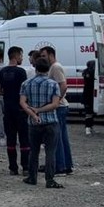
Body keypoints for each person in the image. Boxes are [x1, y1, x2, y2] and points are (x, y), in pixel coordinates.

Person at [21, 58, 64, 189]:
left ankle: (32, 177)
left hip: (33, 123)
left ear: (35, 68)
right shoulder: (53, 84)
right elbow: (55, 104)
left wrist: (33, 113)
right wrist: (40, 110)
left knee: (33, 151)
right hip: (50, 121)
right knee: (50, 151)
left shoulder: (26, 83)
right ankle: (49, 179)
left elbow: (22, 102)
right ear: (48, 69)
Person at [0, 46, 30, 176]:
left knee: (10, 139)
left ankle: (13, 167)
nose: (22, 58)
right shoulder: (21, 72)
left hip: (8, 110)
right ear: (16, 56)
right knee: (24, 139)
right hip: (21, 110)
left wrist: (7, 92)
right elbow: (25, 90)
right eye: (21, 56)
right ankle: (25, 167)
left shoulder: (2, 72)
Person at [39, 46, 72, 175]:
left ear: (51, 55)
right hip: (61, 106)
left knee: (55, 138)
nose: (42, 58)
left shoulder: (55, 67)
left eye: (43, 56)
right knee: (62, 137)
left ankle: (59, 166)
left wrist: (56, 101)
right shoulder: (54, 67)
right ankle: (66, 164)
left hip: (59, 107)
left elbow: (63, 85)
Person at [82, 59, 97, 136]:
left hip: (88, 94)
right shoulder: (89, 72)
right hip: (89, 95)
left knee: (90, 112)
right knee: (89, 112)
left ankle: (90, 127)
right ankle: (88, 127)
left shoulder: (85, 72)